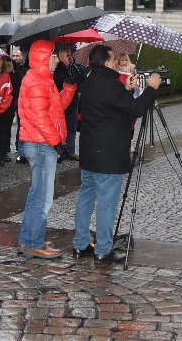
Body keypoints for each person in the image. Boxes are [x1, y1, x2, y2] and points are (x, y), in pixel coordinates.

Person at [72, 45, 160, 263]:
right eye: (113, 58)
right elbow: (136, 109)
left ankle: (80, 244)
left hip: (90, 152)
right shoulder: (110, 85)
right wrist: (151, 89)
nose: (116, 61)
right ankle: (103, 249)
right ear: (106, 62)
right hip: (108, 155)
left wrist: (127, 89)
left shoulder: (90, 81)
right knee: (106, 203)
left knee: (85, 199)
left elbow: (113, 106)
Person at [16, 40, 77, 259]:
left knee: (36, 195)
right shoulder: (37, 81)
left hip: (41, 142)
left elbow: (56, 108)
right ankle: (34, 242)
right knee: (43, 197)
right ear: (43, 57)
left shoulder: (42, 79)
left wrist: (69, 87)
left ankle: (27, 238)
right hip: (41, 144)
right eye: (53, 56)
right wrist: (56, 142)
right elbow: (39, 118)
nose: (56, 60)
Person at [53, 46, 82, 160]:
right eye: (67, 54)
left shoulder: (74, 68)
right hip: (61, 102)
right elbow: (56, 84)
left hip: (73, 102)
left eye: (70, 54)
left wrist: (74, 70)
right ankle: (60, 149)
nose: (70, 56)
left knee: (72, 127)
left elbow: (80, 82)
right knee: (60, 127)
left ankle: (71, 150)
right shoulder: (57, 69)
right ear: (60, 56)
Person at [10, 47, 28, 164]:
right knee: (20, 127)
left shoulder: (24, 69)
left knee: (24, 126)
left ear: (21, 57)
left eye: (17, 56)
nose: (15, 58)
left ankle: (23, 151)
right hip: (14, 100)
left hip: (24, 101)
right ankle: (20, 151)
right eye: (14, 56)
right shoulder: (9, 70)